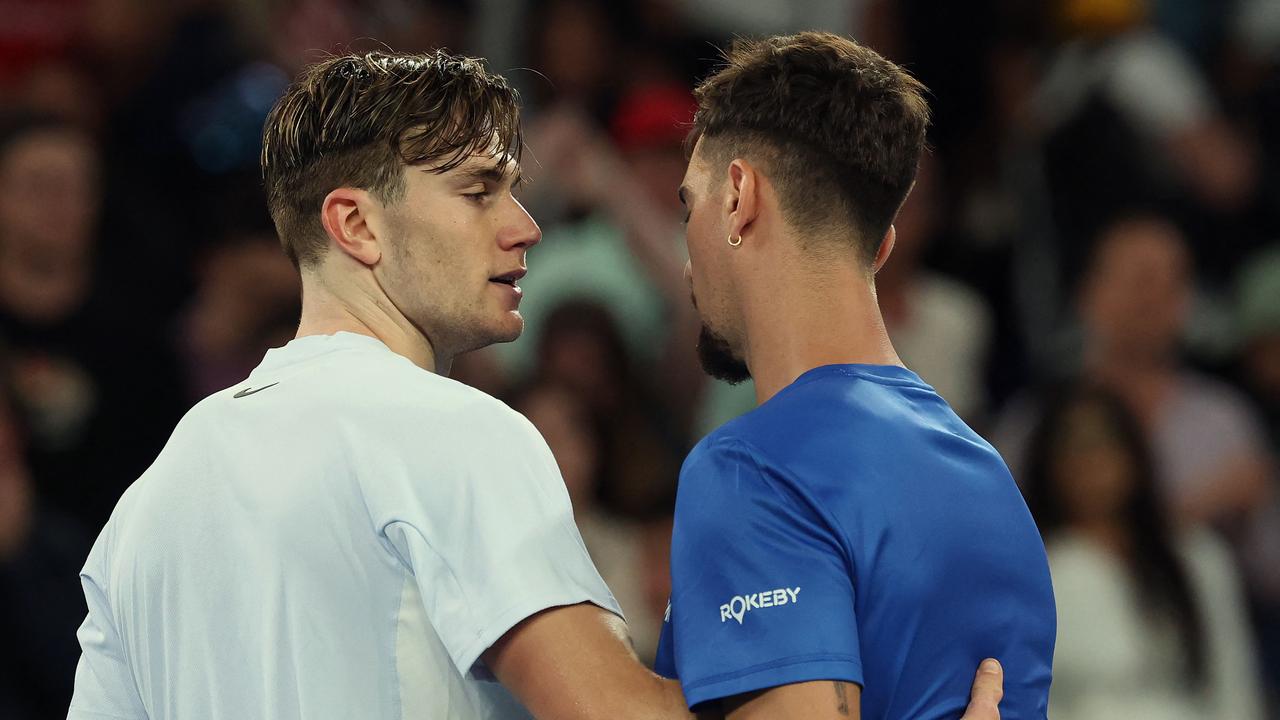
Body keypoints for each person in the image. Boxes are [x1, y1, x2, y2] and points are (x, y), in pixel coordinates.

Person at [66, 50, 1007, 719]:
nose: (526, 226)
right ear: (354, 225)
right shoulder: (451, 433)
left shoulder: (146, 505)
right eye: (479, 192)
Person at [653, 32, 1056, 718]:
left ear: (738, 196)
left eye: (688, 206)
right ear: (882, 247)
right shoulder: (987, 475)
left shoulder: (754, 467)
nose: (687, 254)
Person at [1020, 382, 1263, 720]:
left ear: (1134, 452)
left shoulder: (1194, 554)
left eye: (1104, 442)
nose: (1091, 461)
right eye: (1073, 446)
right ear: (1048, 460)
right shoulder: (1033, 566)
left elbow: (1232, 683)